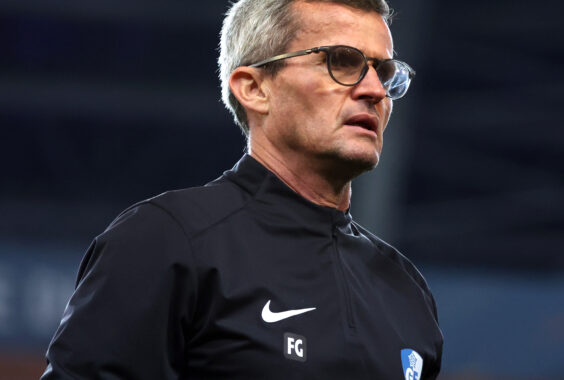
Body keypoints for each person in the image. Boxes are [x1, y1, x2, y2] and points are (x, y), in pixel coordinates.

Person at [41, 0, 443, 378]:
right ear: (253, 88)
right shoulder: (166, 241)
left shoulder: (406, 290)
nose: (374, 91)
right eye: (342, 61)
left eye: (384, 72)